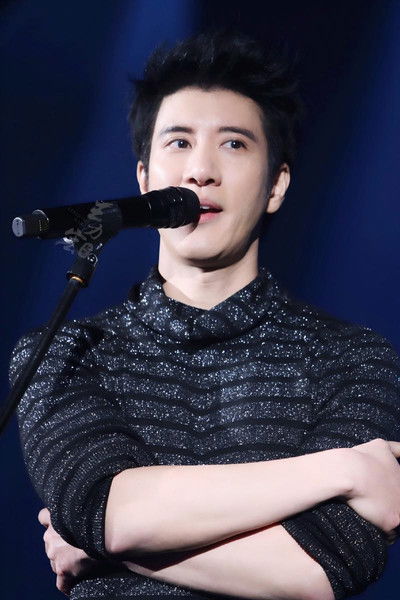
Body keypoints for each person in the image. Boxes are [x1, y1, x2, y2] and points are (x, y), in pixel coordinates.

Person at [10, 31, 400, 600]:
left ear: (277, 185)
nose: (200, 171)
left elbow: (318, 571)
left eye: (234, 144)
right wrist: (343, 470)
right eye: (178, 142)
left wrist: (105, 543)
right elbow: (103, 508)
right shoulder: (64, 352)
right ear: (144, 178)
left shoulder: (354, 359)